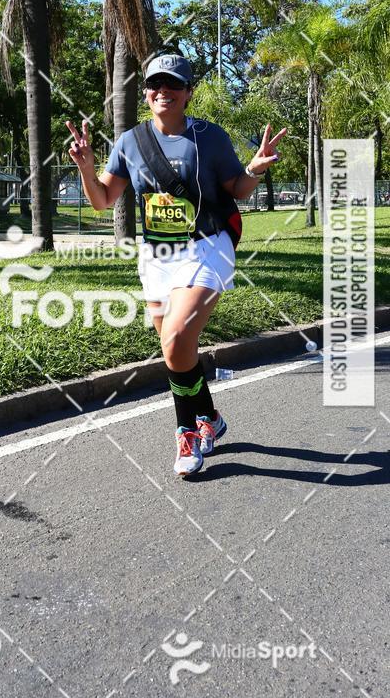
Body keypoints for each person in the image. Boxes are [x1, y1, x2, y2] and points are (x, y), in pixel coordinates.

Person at [66, 54, 286, 478]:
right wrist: (86, 168)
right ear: (146, 92)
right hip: (157, 257)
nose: (163, 91)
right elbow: (102, 200)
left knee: (177, 337)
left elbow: (238, 189)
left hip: (207, 248)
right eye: (155, 84)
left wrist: (255, 168)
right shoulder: (130, 141)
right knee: (178, 351)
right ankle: (210, 418)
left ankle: (186, 431)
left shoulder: (210, 137)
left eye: (173, 84)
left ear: (188, 93)